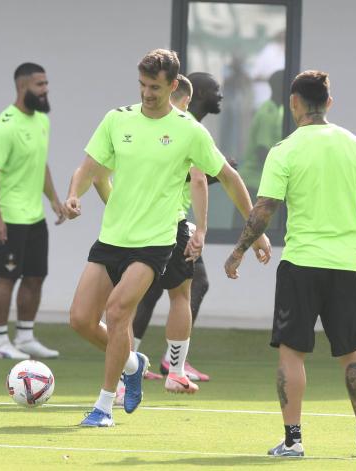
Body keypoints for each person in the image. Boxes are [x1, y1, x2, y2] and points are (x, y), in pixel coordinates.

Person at [64, 49, 271, 428]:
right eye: (142, 85)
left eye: (155, 87)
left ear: (174, 85)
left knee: (117, 312)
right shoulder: (116, 119)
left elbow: (227, 176)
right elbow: (89, 168)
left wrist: (254, 230)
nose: (146, 93)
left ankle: (103, 406)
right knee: (79, 320)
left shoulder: (189, 130)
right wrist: (74, 194)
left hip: (154, 242)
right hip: (112, 237)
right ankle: (134, 362)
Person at [224, 70, 356, 457]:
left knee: (291, 352)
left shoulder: (284, 150)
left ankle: (293, 441)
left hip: (300, 265)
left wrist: (239, 251)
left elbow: (264, 210)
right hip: (346, 266)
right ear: (329, 103)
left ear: (294, 103)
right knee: (353, 353)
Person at [132, 72, 224, 382]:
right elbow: (184, 175)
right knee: (191, 286)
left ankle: (136, 362)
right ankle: (171, 365)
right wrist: (219, 174)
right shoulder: (182, 127)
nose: (220, 95)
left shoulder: (189, 129)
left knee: (154, 291)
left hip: (168, 222)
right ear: (193, 96)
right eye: (215, 90)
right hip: (170, 225)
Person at [0, 62, 65, 360]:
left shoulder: (42, 121)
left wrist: (54, 199)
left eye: (46, 84)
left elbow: (40, 163)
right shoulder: (6, 126)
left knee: (35, 276)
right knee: (6, 279)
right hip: (9, 218)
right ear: (22, 87)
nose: (45, 90)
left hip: (34, 217)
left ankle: (26, 336)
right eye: (39, 85)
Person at [236, 69, 284, 227]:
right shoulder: (267, 113)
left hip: (264, 184)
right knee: (250, 228)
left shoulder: (280, 111)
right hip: (254, 183)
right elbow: (262, 150)